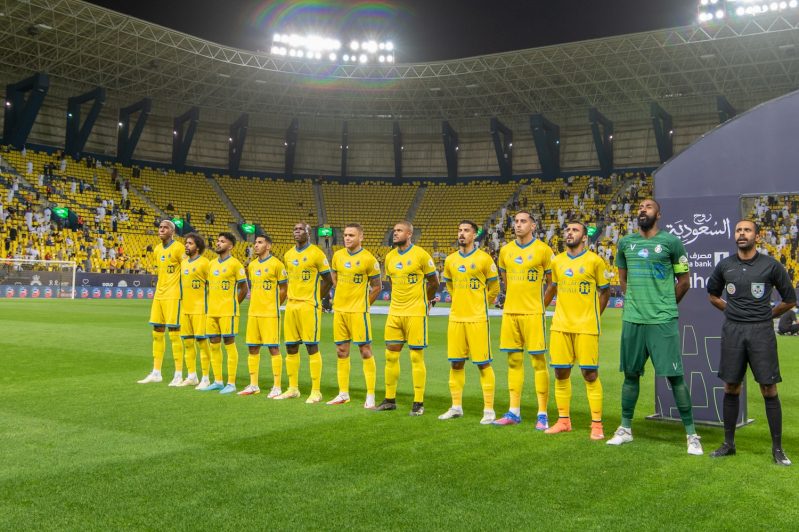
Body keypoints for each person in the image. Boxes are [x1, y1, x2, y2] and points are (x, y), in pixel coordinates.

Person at [607, 198, 703, 455]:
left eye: (648, 207)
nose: (642, 209)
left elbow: (684, 281)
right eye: (639, 207)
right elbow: (623, 278)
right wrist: (633, 303)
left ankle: (691, 434)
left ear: (658, 214)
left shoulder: (672, 243)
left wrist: (666, 305)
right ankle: (625, 429)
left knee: (675, 377)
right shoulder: (626, 243)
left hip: (662, 319)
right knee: (630, 374)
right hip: (634, 320)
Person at [707, 220, 797, 466]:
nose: (742, 234)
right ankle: (728, 444)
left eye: (747, 230)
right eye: (738, 230)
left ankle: (777, 449)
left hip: (761, 332)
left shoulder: (771, 265)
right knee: (731, 386)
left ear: (757, 236)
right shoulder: (725, 265)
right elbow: (713, 294)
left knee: (768, 388)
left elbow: (790, 299)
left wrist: (768, 315)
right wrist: (731, 310)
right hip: (733, 331)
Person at [542, 221, 610, 439]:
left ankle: (597, 425)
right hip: (560, 325)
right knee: (561, 372)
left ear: (584, 237)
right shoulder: (557, 261)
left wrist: (593, 316)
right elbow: (552, 287)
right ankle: (563, 421)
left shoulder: (595, 261)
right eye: (567, 230)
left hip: (586, 327)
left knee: (589, 374)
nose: (569, 233)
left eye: (575, 230)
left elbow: (604, 292)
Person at [493, 210, 554, 429]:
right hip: (511, 314)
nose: (518, 225)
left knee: (538, 362)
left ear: (533, 226)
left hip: (533, 315)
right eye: (515, 221)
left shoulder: (544, 251)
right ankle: (514, 411)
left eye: (523, 221)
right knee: (513, 362)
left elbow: (552, 283)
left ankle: (542, 414)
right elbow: (505, 280)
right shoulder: (505, 251)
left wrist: (540, 306)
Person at [438, 220, 500, 424]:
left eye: (466, 231)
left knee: (483, 364)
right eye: (460, 230)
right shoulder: (451, 260)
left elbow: (494, 288)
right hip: (456, 318)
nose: (462, 234)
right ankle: (456, 407)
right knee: (456, 363)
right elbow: (448, 283)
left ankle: (489, 410)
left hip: (477, 319)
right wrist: (459, 301)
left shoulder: (484, 259)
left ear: (475, 235)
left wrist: (481, 305)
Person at [375, 221, 439, 416]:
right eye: (394, 231)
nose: (395, 234)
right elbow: (393, 283)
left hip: (415, 313)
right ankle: (389, 399)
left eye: (399, 230)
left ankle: (418, 402)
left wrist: (425, 302)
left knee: (415, 356)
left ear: (409, 233)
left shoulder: (421, 255)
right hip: (394, 312)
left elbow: (434, 282)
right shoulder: (390, 257)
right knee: (390, 356)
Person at [274, 222, 333, 403]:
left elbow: (328, 280)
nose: (297, 232)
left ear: (308, 233)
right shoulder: (288, 254)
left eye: (301, 229)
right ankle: (293, 388)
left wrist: (315, 298)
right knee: (291, 346)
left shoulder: (317, 253)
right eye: (295, 229)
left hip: (309, 306)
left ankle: (316, 391)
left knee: (311, 346)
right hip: (291, 305)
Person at [327, 223, 382, 408]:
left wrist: (364, 304)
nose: (347, 238)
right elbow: (334, 276)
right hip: (340, 311)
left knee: (365, 350)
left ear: (361, 237)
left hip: (358, 312)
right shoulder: (337, 256)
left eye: (351, 235)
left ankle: (371, 395)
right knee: (341, 351)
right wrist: (340, 290)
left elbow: (377, 286)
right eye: (345, 235)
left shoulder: (368, 259)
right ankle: (343, 394)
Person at [239, 233, 288, 397]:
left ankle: (277, 386)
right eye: (255, 243)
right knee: (252, 347)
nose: (256, 245)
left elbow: (284, 289)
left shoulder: (277, 264)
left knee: (273, 348)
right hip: (254, 312)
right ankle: (253, 385)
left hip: (270, 313)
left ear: (268, 246)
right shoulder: (252, 266)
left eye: (260, 243)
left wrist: (274, 305)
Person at [138, 220, 185, 385]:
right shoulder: (157, 249)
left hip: (174, 295)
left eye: (166, 227)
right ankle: (156, 372)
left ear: (172, 232)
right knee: (157, 331)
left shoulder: (179, 248)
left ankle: (178, 373)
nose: (162, 229)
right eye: (160, 227)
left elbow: (186, 269)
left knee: (174, 332)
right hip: (159, 294)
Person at [202, 232, 248, 394]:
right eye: (218, 240)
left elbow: (244, 287)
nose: (218, 243)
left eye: (222, 241)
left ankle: (231, 383)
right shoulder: (211, 264)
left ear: (230, 246)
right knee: (214, 345)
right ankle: (218, 381)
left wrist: (234, 303)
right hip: (212, 311)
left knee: (229, 345)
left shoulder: (235, 264)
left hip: (228, 311)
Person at [176, 232, 212, 389]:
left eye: (190, 243)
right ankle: (192, 375)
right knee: (188, 343)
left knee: (202, 344)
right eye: (186, 243)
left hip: (200, 310)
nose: (186, 245)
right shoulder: (183, 263)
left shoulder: (206, 263)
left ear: (198, 247)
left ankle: (205, 377)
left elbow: (213, 286)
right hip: (185, 309)